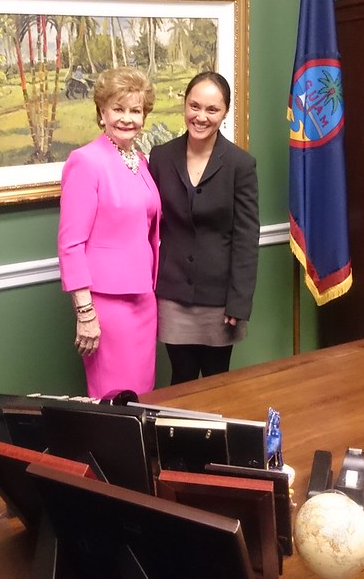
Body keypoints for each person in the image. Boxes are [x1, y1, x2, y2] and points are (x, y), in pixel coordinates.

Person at [149, 71, 259, 385]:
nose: (201, 116)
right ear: (184, 105)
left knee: (215, 383)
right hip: (173, 294)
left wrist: (239, 302)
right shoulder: (160, 157)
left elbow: (246, 238)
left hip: (221, 300)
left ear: (224, 113)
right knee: (181, 380)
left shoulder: (241, 165)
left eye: (212, 110)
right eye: (194, 106)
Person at [58, 67, 161, 399]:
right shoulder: (85, 161)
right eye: (118, 109)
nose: (127, 118)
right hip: (106, 306)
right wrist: (85, 313)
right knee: (114, 399)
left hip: (144, 299)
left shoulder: (140, 161)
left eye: (135, 110)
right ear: (102, 113)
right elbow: (70, 244)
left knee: (142, 397)